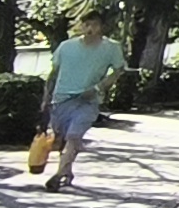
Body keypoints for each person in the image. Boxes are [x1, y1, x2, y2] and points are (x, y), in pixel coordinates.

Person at [39, 13, 127, 190]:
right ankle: (67, 170)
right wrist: (45, 98)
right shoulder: (66, 47)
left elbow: (118, 70)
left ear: (102, 27)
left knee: (74, 135)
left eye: (94, 25)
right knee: (61, 141)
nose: (90, 29)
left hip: (88, 101)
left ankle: (58, 175)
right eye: (86, 24)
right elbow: (53, 73)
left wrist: (98, 88)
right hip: (61, 99)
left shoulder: (111, 48)